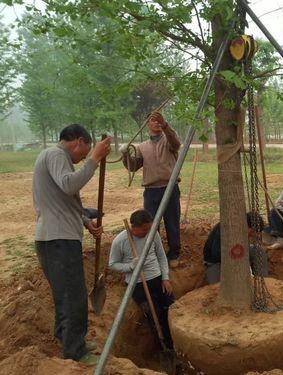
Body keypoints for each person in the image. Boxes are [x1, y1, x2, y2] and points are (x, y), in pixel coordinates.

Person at [33, 124, 111, 365]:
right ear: (78, 141)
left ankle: (64, 338)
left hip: (56, 239)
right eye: (84, 153)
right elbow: (69, 184)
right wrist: (95, 160)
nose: (82, 159)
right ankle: (75, 351)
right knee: (74, 297)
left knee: (64, 295)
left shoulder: (55, 158)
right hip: (59, 241)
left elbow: (64, 200)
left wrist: (86, 221)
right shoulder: (56, 154)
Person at [120, 111, 182, 267]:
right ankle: (154, 254)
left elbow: (176, 143)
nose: (156, 123)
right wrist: (125, 155)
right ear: (147, 124)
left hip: (170, 188)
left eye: (159, 120)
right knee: (151, 224)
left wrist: (166, 125)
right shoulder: (142, 147)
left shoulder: (168, 141)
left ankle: (174, 254)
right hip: (151, 191)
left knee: (172, 223)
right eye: (153, 121)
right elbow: (133, 167)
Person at [109, 209, 175, 350]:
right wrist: (130, 266)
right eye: (144, 229)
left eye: (149, 228)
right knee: (154, 316)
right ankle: (162, 347)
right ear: (134, 227)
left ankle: (175, 344)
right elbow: (112, 264)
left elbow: (162, 257)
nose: (147, 232)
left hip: (157, 279)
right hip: (137, 284)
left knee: (171, 309)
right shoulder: (119, 241)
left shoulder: (153, 234)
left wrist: (165, 278)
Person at [203, 212, 269, 284]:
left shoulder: (243, 230)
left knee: (258, 251)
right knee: (217, 287)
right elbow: (215, 253)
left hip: (235, 254)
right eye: (252, 231)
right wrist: (236, 258)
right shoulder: (224, 227)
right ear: (246, 225)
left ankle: (262, 281)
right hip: (216, 261)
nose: (253, 235)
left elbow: (244, 248)